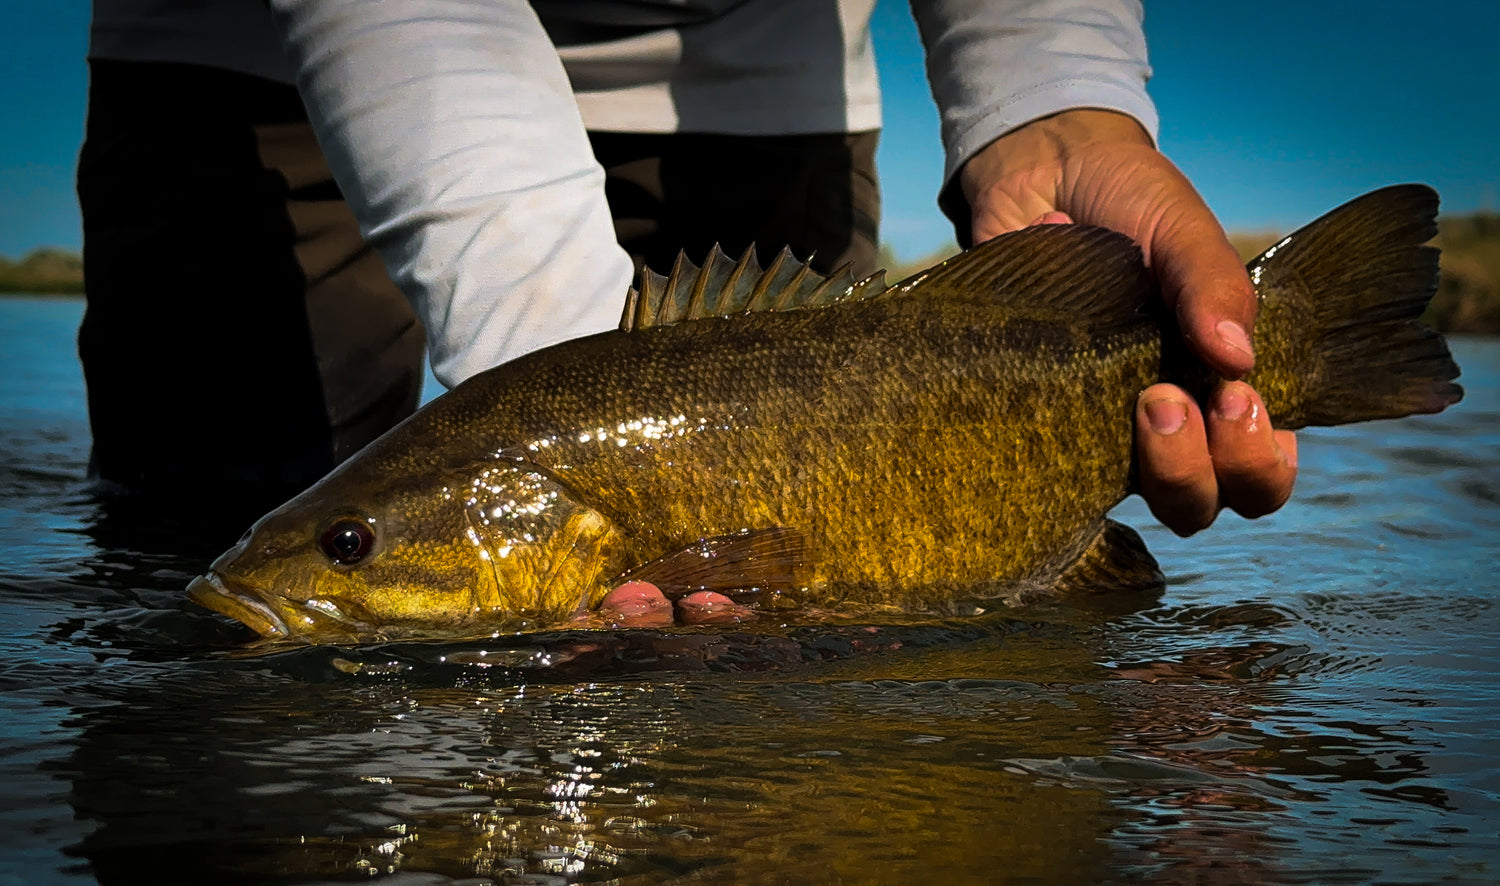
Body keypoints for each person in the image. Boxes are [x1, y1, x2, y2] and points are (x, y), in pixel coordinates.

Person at [80, 0, 1295, 614]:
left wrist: (1053, 99)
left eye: (351, 552)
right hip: (273, 50)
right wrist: (549, 353)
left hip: (754, 58)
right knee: (196, 515)